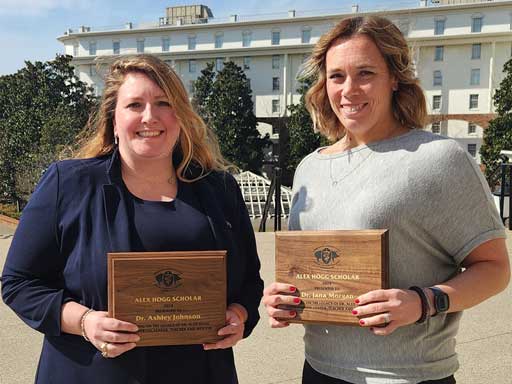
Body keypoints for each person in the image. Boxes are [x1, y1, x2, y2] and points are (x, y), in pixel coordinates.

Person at [263, 16, 510, 384]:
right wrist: (285, 299)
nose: (349, 90)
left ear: (394, 77)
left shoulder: (437, 158)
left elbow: (495, 268)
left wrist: (423, 302)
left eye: (365, 73)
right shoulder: (309, 167)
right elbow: (312, 267)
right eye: (336, 76)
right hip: (318, 370)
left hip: (407, 375)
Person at [1, 54, 263, 384]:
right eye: (135, 105)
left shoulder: (220, 189)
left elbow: (250, 283)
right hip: (91, 373)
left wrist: (238, 315)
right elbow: (19, 283)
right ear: (113, 120)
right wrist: (84, 322)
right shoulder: (67, 185)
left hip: (200, 372)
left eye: (164, 103)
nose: (150, 117)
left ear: (180, 116)